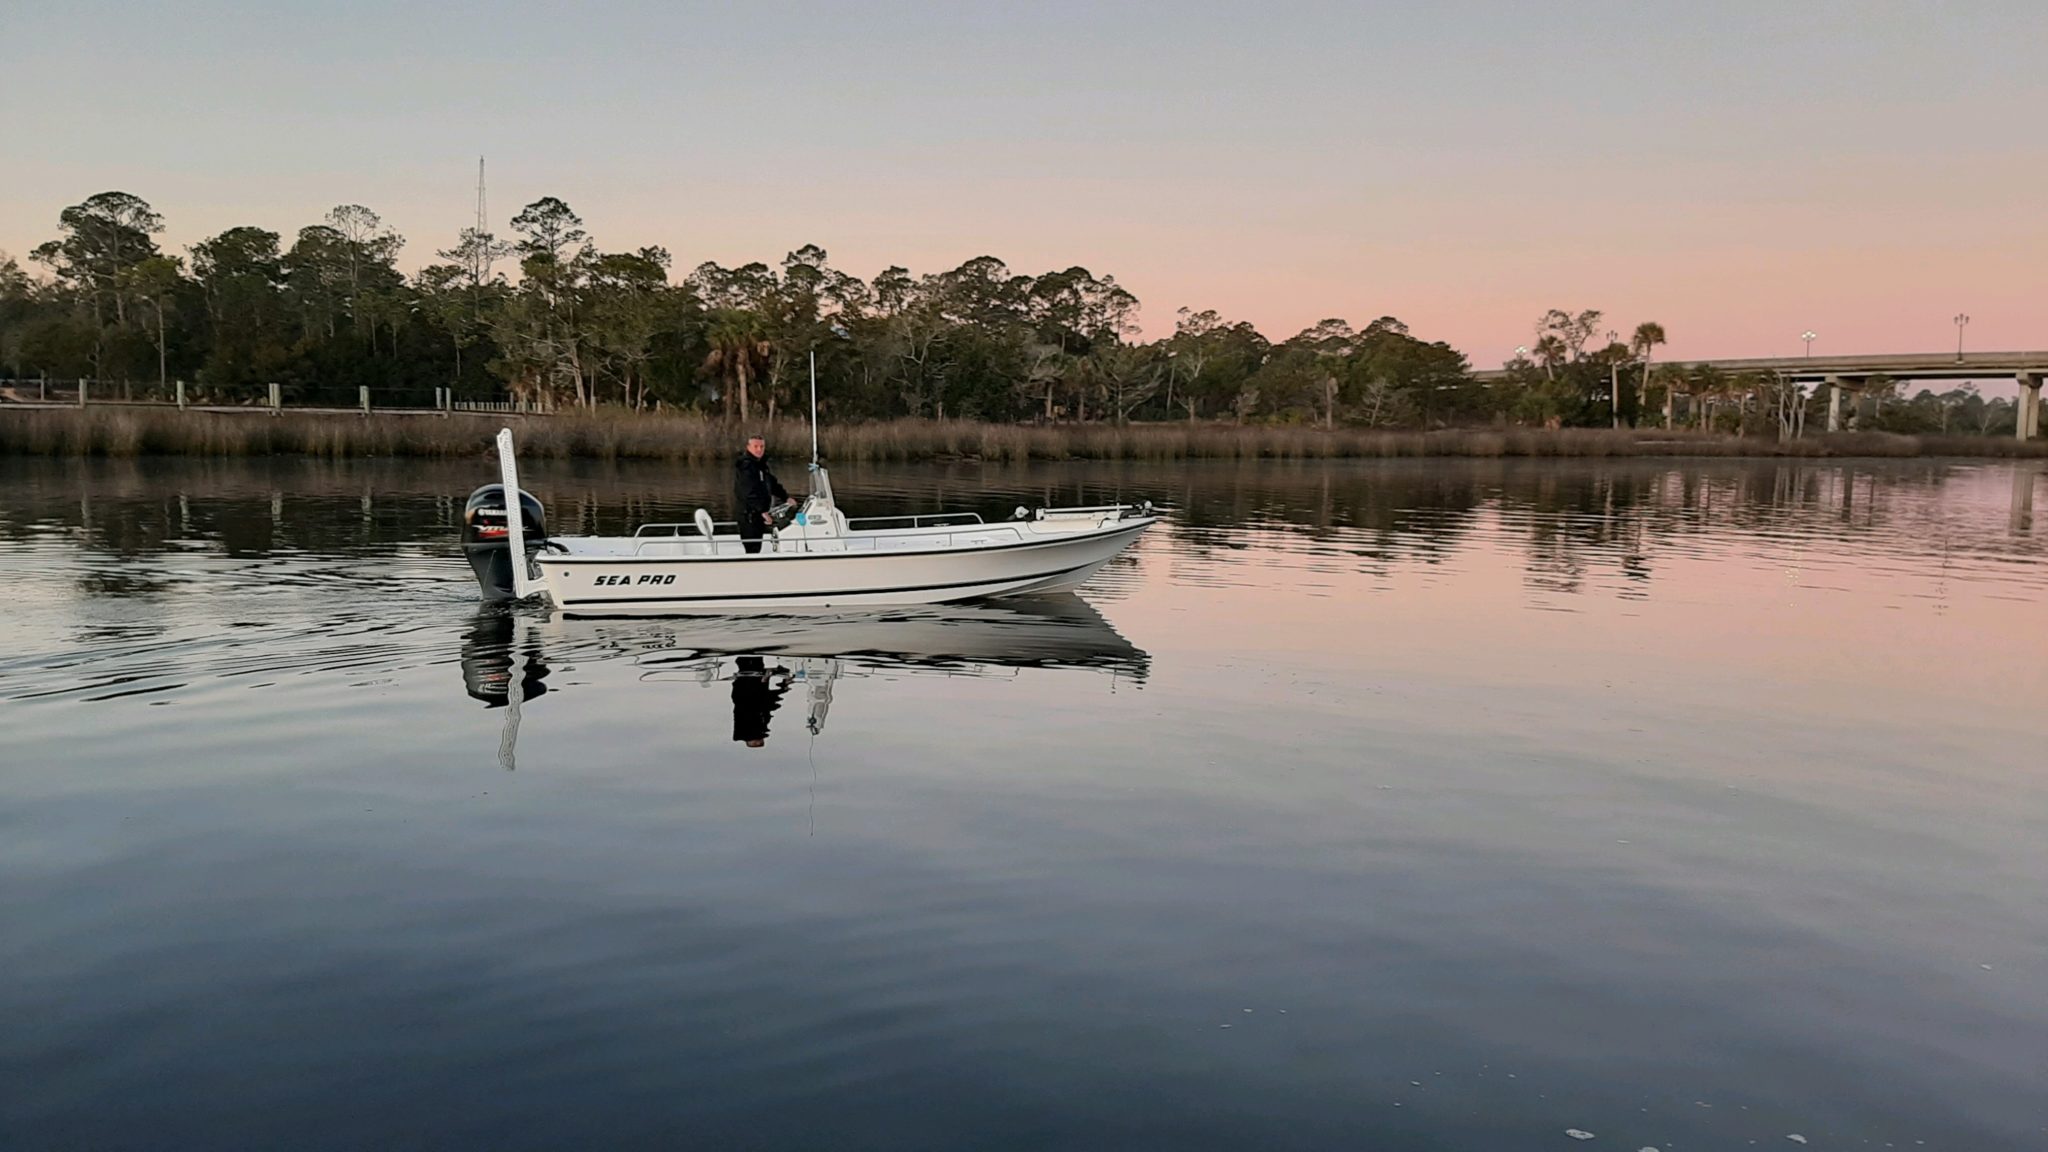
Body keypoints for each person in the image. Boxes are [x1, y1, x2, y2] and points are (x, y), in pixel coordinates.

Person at [732, 434, 795, 554]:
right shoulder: (746, 466)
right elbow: (748, 492)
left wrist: (786, 497)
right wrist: (762, 511)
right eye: (756, 446)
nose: (759, 449)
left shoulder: (760, 465)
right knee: (752, 547)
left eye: (762, 446)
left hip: (756, 514)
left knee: (757, 545)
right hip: (749, 515)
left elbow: (772, 484)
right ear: (748, 447)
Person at [730, 655, 791, 747]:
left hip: (749, 691)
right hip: (751, 689)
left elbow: (761, 706)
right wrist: (783, 687)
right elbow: (767, 707)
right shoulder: (760, 725)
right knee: (752, 664)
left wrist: (779, 687)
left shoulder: (749, 725)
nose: (761, 738)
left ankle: (747, 651)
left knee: (749, 665)